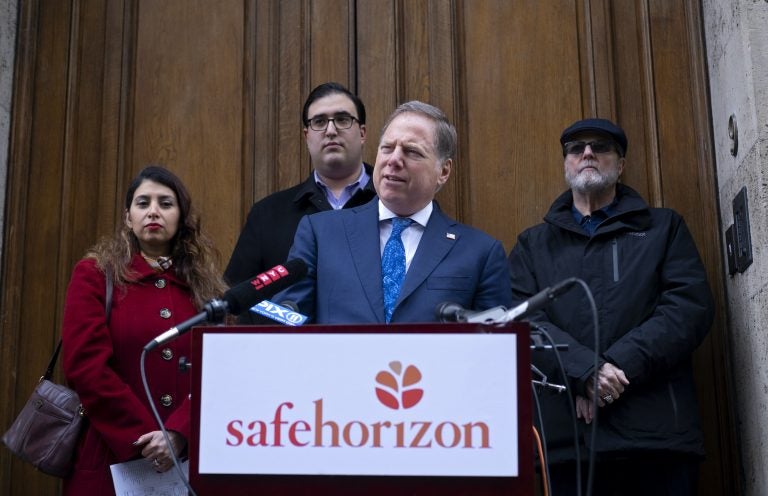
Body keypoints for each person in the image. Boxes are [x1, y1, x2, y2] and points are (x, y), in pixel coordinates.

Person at [507, 118, 714, 495]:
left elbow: (688, 308)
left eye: (600, 146)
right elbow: (521, 320)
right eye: (575, 148)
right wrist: (584, 371)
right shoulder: (532, 245)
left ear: (620, 164)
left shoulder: (664, 228)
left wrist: (614, 368)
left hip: (655, 440)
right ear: (566, 164)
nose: (587, 153)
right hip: (569, 442)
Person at [61, 166, 226, 494]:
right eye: (143, 203)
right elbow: (85, 367)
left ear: (181, 218)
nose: (153, 211)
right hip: (110, 457)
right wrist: (146, 438)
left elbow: (221, 370)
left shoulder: (205, 289)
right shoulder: (95, 274)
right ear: (127, 217)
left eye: (166, 203)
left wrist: (180, 433)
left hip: (189, 459)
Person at [276, 101, 512, 323]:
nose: (394, 160)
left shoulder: (481, 252)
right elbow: (288, 319)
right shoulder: (321, 233)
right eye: (387, 148)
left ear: (443, 171)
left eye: (412, 152)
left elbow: (492, 350)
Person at [224, 82, 376, 323]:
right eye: (319, 122)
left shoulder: (394, 204)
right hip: (288, 355)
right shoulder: (268, 214)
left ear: (363, 132)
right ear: (307, 136)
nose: (331, 130)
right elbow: (238, 301)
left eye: (343, 119)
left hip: (375, 355)